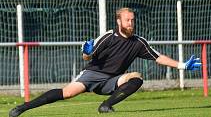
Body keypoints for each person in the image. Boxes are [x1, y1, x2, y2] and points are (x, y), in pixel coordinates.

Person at [9, 7, 201, 117]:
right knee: (66, 93)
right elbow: (88, 57)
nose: (131, 24)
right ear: (119, 21)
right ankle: (22, 108)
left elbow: (158, 57)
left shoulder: (139, 42)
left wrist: (183, 65)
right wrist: (86, 53)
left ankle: (105, 106)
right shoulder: (108, 36)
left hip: (113, 80)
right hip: (93, 74)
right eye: (127, 20)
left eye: (133, 20)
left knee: (136, 78)